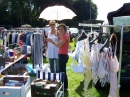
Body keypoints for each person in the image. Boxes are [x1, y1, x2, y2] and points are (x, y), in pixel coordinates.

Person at [46, 23, 70, 90]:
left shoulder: (65, 36)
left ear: (65, 29)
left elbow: (59, 45)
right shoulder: (63, 36)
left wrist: (52, 41)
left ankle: (64, 86)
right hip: (62, 55)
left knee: (62, 72)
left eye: (61, 29)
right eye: (59, 29)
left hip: (63, 56)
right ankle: (64, 86)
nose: (60, 30)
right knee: (61, 71)